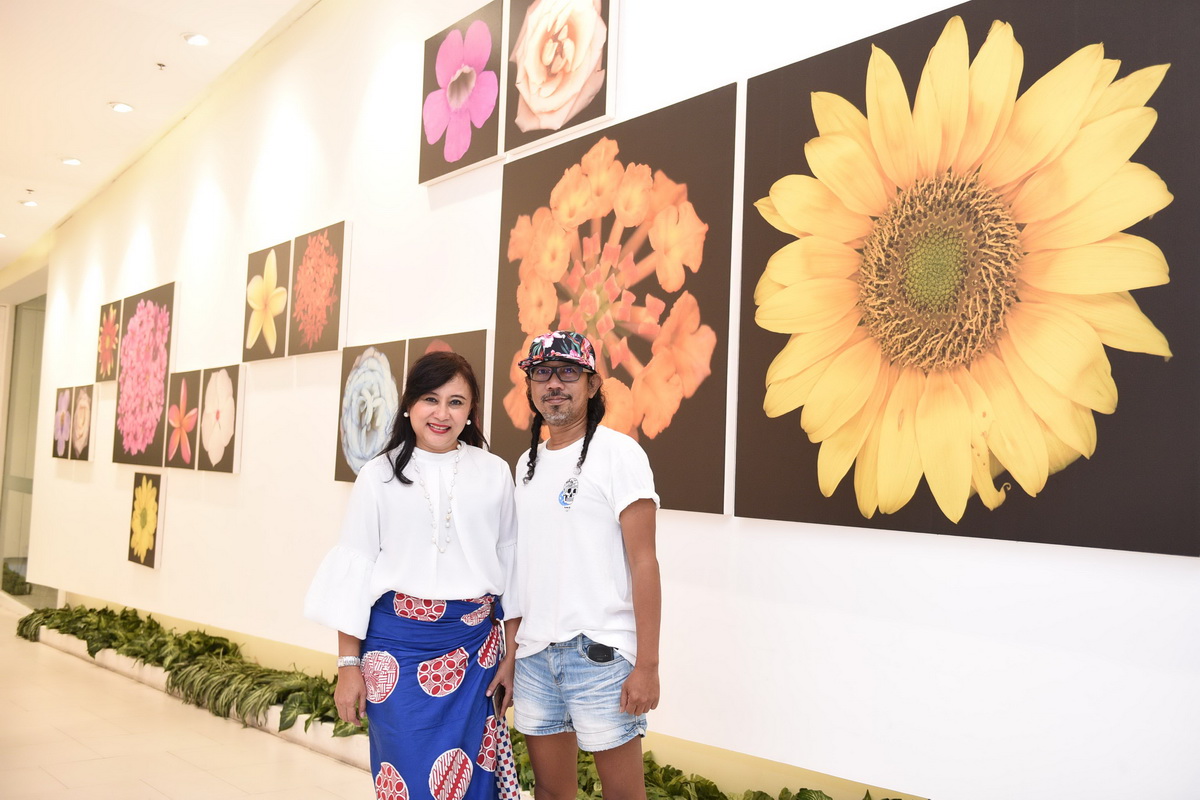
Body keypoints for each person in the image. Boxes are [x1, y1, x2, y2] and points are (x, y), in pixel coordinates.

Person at [305, 351, 520, 800]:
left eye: (456, 402)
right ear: (409, 405)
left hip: (475, 655)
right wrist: (348, 667)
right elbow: (357, 575)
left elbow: (513, 568)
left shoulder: (495, 473)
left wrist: (512, 656)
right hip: (395, 653)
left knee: (473, 783)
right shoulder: (377, 476)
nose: (442, 414)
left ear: (471, 410)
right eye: (430, 399)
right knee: (406, 779)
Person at [506, 331, 661, 800]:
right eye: (542, 373)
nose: (554, 383)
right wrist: (512, 656)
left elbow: (644, 562)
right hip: (535, 657)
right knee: (551, 793)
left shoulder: (619, 453)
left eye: (568, 372)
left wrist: (647, 665)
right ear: (530, 387)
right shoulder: (526, 464)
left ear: (592, 385)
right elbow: (519, 570)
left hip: (600, 654)